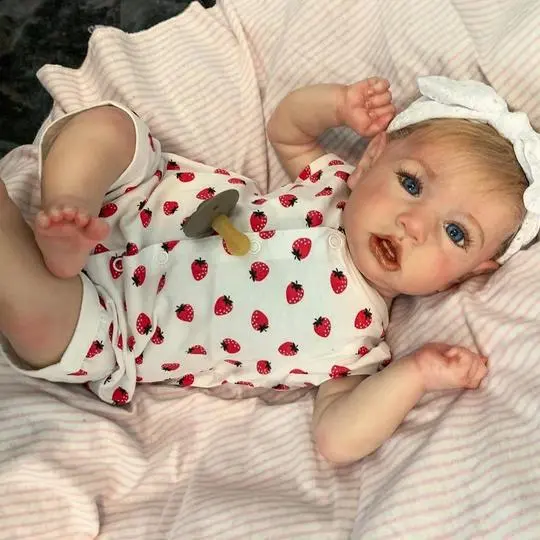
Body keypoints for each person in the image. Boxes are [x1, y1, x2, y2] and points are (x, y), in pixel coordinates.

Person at [1, 76, 539, 465]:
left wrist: (415, 375)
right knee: (107, 126)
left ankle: (44, 251)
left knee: (35, 316)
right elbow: (287, 129)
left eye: (455, 233)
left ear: (465, 275)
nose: (413, 224)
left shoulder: (357, 344)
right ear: (372, 160)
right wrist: (339, 104)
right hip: (135, 198)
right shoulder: (332, 182)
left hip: (111, 325)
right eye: (412, 184)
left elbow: (337, 439)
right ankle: (67, 210)